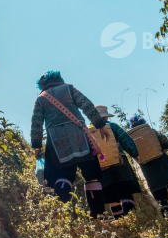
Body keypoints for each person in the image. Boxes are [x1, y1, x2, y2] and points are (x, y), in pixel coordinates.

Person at [30, 71, 109, 218]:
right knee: (91, 175)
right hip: (79, 135)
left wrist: (37, 145)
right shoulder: (69, 89)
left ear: (42, 84)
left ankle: (64, 215)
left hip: (56, 141)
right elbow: (87, 105)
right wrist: (100, 125)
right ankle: (98, 215)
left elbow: (36, 123)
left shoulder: (40, 99)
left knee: (62, 176)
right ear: (59, 78)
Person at [129, 116, 168, 224]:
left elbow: (133, 156)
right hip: (164, 164)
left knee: (162, 200)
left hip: (149, 171)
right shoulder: (152, 131)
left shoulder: (130, 139)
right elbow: (166, 144)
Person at [95, 106, 142, 219]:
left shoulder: (90, 130)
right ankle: (130, 218)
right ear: (106, 117)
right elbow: (125, 139)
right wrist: (135, 154)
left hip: (103, 165)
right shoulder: (112, 126)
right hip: (120, 162)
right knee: (125, 190)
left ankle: (119, 219)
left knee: (111, 194)